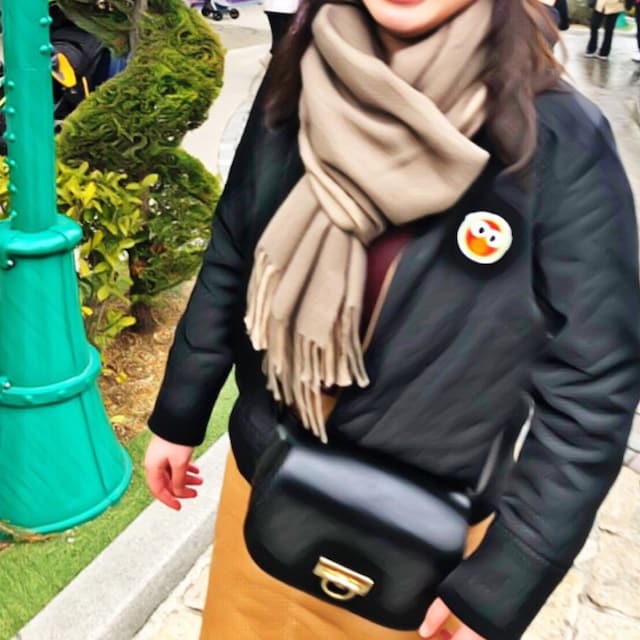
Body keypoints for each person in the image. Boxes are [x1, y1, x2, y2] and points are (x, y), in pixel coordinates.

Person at [144, 0, 640, 638]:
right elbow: (235, 248)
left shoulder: (558, 136)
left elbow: (594, 380)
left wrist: (504, 580)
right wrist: (179, 416)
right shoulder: (302, 73)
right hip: (265, 487)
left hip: (415, 544)